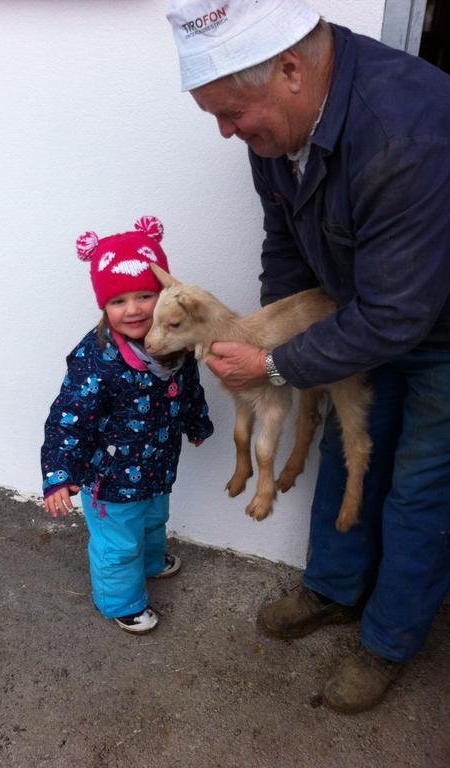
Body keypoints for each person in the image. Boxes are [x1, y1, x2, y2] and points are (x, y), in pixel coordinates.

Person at [166, 0, 450, 712]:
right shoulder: (279, 136)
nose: (229, 132)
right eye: (216, 119)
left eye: (232, 112)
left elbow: (400, 313)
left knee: (421, 488)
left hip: (437, 329)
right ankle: (334, 588)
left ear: (289, 69)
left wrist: (272, 365)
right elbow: (287, 247)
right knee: (348, 447)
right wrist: (278, 334)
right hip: (362, 312)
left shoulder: (408, 129)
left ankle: (387, 642)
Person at [41, 215, 214, 634]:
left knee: (154, 520)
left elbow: (188, 386)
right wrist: (60, 474)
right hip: (110, 478)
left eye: (144, 296)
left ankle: (152, 563)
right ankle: (121, 601)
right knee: (118, 544)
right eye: (118, 301)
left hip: (156, 464)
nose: (133, 309)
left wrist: (196, 422)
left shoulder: (175, 342)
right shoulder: (96, 357)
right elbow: (69, 417)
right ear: (104, 306)